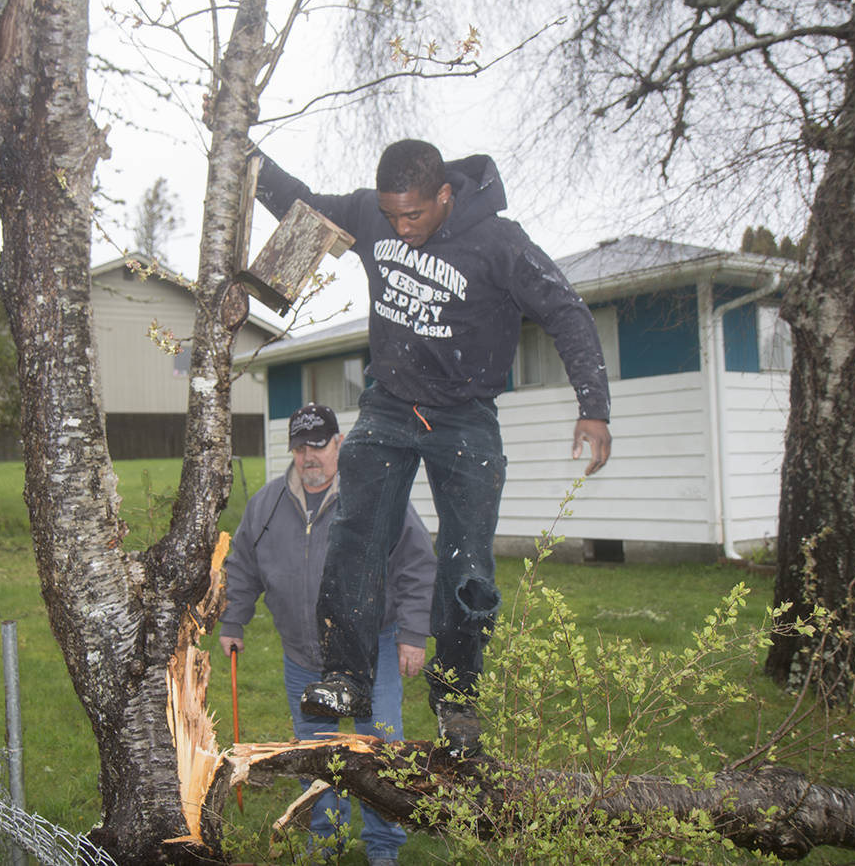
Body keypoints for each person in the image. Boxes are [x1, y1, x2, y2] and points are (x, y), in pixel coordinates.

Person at [252, 139, 613, 757]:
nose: (400, 227)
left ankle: (457, 699)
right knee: (357, 533)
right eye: (391, 216)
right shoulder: (371, 214)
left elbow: (566, 310)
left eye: (412, 215)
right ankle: (345, 677)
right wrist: (245, 154)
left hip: (465, 416)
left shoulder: (499, 242)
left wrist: (595, 408)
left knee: (466, 560)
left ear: (444, 194)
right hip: (389, 405)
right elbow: (302, 203)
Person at [220, 402, 435, 866]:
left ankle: (382, 848)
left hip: (370, 650)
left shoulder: (375, 496)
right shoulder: (267, 505)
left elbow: (416, 563)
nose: (307, 457)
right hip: (303, 658)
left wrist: (414, 633)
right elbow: (241, 567)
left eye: (317, 445)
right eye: (299, 447)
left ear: (339, 444)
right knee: (317, 755)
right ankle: (327, 841)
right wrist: (233, 620)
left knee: (378, 751)